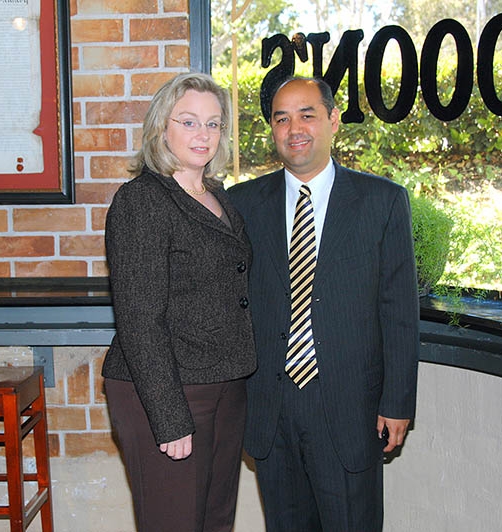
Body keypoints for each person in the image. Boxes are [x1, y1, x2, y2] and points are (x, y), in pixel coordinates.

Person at [227, 76, 419, 531]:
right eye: (281, 119)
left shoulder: (382, 202)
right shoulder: (242, 204)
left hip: (350, 409)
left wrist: (398, 401)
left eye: (307, 115)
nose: (294, 128)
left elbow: (398, 312)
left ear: (333, 120)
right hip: (271, 405)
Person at [102, 72, 256, 532]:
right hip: (166, 390)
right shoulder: (142, 201)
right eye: (188, 122)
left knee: (215, 521)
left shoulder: (217, 195)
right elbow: (139, 321)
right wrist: (168, 418)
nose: (202, 134)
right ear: (161, 127)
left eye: (213, 123)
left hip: (224, 385)